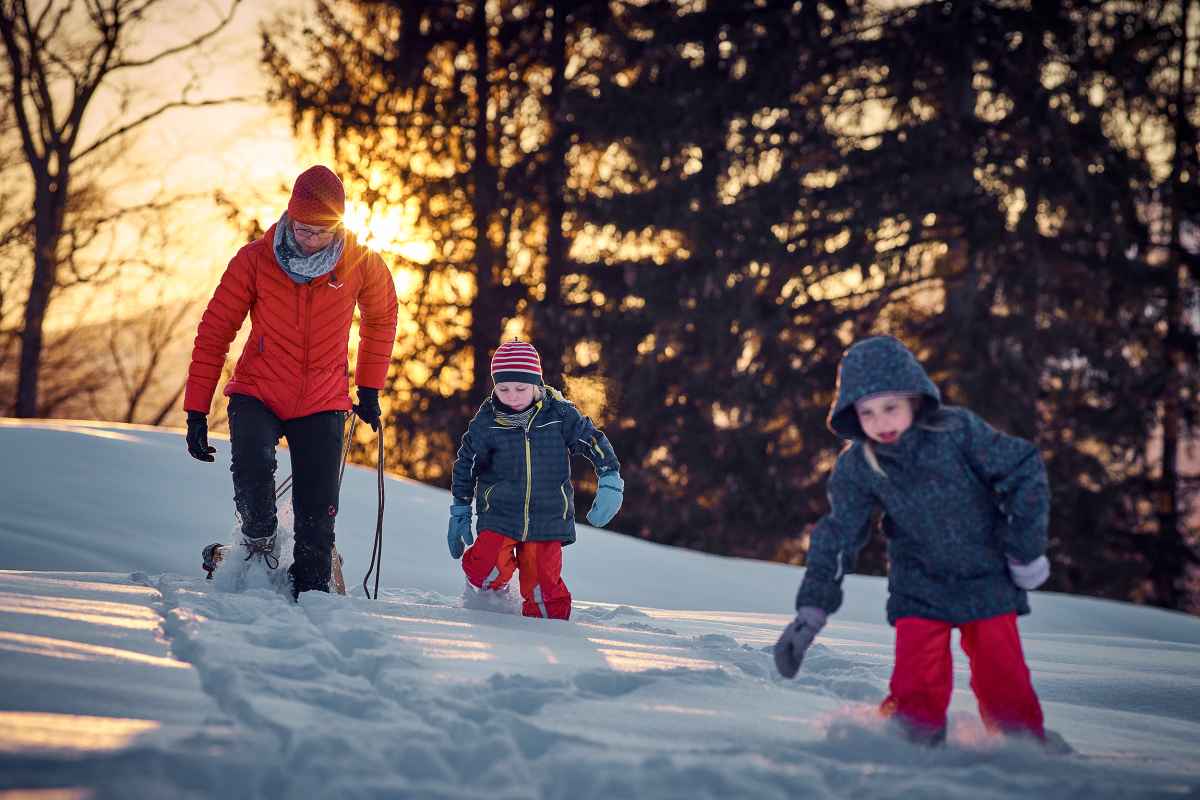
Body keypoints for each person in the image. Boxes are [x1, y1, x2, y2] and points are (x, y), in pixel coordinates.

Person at [774, 335, 1051, 745]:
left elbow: (1024, 469)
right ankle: (911, 746)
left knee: (1002, 674)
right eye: (867, 413)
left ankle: (1021, 748)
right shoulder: (858, 466)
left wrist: (1024, 550)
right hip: (918, 584)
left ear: (914, 400)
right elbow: (838, 536)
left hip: (986, 576)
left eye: (890, 407)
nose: (881, 422)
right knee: (916, 679)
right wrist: (810, 612)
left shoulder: (957, 432)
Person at [183, 165, 399, 599]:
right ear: (289, 217)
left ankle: (311, 591)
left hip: (322, 399)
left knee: (317, 511)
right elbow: (215, 330)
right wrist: (196, 409)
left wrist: (370, 388)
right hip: (257, 391)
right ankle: (258, 542)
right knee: (253, 469)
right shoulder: (255, 260)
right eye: (302, 228)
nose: (309, 238)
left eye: (320, 231)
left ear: (338, 225)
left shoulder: (360, 263)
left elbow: (382, 317)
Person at [446, 340, 623, 620]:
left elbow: (593, 441)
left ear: (536, 384)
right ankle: (488, 603)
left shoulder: (560, 415)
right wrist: (460, 508)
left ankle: (549, 634)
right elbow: (467, 463)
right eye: (503, 389)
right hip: (500, 513)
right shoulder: (487, 422)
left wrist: (610, 477)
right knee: (485, 569)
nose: (512, 396)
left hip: (547, 517)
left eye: (520, 388)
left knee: (544, 588)